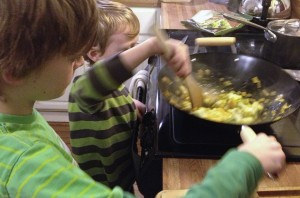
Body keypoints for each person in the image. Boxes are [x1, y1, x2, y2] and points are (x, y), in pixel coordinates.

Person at [0, 0, 285, 197]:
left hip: (118, 176)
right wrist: (247, 162)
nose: (78, 61)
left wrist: (129, 101)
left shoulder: (16, 115)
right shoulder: (27, 166)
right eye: (71, 54)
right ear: (17, 68)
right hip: (104, 181)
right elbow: (91, 83)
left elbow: (102, 84)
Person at [68, 0, 145, 192]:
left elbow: (114, 99)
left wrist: (132, 104)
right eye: (126, 50)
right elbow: (100, 84)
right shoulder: (84, 91)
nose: (133, 55)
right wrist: (152, 46)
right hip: (103, 183)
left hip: (122, 168)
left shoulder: (112, 83)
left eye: (135, 46)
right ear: (95, 54)